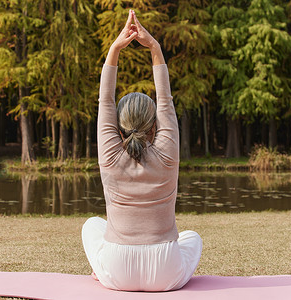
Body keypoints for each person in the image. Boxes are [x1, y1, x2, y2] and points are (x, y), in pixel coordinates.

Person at [82, 10, 202, 292]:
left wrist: (115, 49)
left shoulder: (110, 156)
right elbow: (165, 99)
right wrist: (154, 48)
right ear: (155, 124)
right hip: (165, 272)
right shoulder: (167, 153)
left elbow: (105, 101)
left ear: (119, 127)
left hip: (117, 272)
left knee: (91, 225)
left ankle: (100, 270)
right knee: (191, 236)